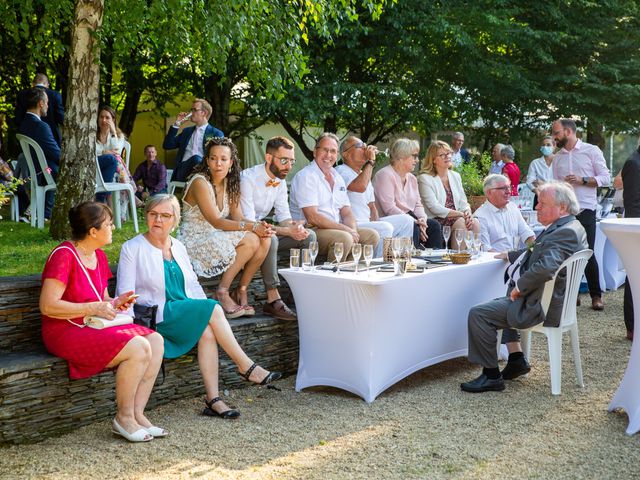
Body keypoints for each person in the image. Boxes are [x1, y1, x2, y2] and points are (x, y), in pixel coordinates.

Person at [118, 195, 281, 419]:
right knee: (213, 308)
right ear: (146, 216)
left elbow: (193, 286)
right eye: (153, 214)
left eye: (165, 215)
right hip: (158, 317)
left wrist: (200, 311)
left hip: (182, 311)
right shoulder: (132, 248)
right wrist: (127, 332)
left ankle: (213, 400)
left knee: (206, 331)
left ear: (175, 220)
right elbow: (123, 294)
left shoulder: (179, 247)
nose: (158, 220)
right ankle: (245, 366)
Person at [39, 202, 164, 442]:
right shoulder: (64, 255)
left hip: (92, 324)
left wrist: (116, 303)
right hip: (64, 330)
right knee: (138, 347)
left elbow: (101, 298)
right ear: (93, 231)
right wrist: (93, 307)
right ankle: (123, 418)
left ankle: (138, 414)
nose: (114, 227)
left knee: (155, 340)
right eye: (108, 224)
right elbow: (48, 306)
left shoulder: (99, 255)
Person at [461, 182, 588, 393]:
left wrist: (520, 286)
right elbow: (540, 251)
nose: (536, 207)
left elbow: (546, 266)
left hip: (543, 307)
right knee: (503, 297)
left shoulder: (562, 233)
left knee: (479, 313)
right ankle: (516, 358)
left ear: (562, 207)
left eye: (542, 203)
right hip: (555, 301)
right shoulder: (571, 226)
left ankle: (491, 375)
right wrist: (512, 256)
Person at [178, 137, 272, 318]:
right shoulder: (200, 182)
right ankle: (222, 291)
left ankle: (242, 290)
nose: (218, 164)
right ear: (207, 161)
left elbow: (237, 217)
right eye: (213, 158)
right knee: (251, 239)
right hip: (195, 239)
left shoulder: (231, 182)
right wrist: (252, 229)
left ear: (231, 162)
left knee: (265, 238)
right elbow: (216, 221)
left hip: (216, 233)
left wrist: (260, 226)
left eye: (223, 159)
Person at [240, 136, 313, 321]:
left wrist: (295, 227)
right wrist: (287, 231)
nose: (288, 166)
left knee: (309, 236)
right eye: (284, 160)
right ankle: (273, 298)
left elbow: (284, 217)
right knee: (270, 238)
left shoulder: (280, 180)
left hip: (263, 229)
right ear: (269, 158)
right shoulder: (247, 178)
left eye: (291, 161)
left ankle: (303, 291)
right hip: (244, 233)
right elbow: (251, 224)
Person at [289, 133, 379, 262]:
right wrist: (346, 230)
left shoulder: (336, 176)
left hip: (336, 228)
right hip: (310, 230)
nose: (328, 155)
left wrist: (353, 231)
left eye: (333, 151)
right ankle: (332, 277)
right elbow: (312, 217)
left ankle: (350, 274)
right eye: (325, 150)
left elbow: (347, 212)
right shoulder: (306, 176)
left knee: (371, 236)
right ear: (315, 152)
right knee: (344, 238)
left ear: (337, 155)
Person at [551, 118, 610, 311]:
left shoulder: (591, 151)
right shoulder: (557, 157)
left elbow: (605, 178)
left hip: (586, 209)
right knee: (566, 253)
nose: (554, 137)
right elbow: (555, 185)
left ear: (568, 132)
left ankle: (596, 295)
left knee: (588, 252)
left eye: (556, 133)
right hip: (565, 212)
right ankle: (572, 294)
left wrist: (582, 179)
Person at [336, 136, 413, 257]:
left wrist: (376, 223)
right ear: (345, 154)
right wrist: (371, 161)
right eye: (359, 146)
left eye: (364, 145)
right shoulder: (341, 170)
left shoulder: (363, 173)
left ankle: (401, 258)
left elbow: (372, 206)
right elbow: (359, 187)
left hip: (367, 222)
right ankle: (378, 265)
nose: (365, 148)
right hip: (352, 224)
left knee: (407, 220)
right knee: (385, 227)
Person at [373, 138, 442, 249]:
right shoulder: (384, 175)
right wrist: (415, 222)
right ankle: (412, 260)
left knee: (434, 225)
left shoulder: (412, 178)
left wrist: (422, 220)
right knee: (412, 225)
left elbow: (418, 205)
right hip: (391, 221)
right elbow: (389, 208)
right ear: (401, 157)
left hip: (411, 219)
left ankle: (435, 261)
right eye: (414, 156)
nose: (417, 160)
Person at [417, 140, 479, 250]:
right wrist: (461, 215)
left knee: (475, 222)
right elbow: (434, 207)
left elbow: (463, 202)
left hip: (457, 216)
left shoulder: (455, 176)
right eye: (442, 155)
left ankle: (473, 259)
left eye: (449, 153)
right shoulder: (424, 178)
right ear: (433, 160)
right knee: (461, 223)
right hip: (437, 219)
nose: (447, 156)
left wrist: (468, 213)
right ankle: (458, 260)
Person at [18, 87, 59, 220]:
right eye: (46, 103)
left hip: (34, 172)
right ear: (40, 103)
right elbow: (56, 155)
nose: (47, 106)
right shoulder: (41, 126)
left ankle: (37, 210)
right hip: (45, 173)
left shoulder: (23, 124)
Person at [163, 99, 223, 182]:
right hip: (183, 172)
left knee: (199, 160)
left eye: (194, 110)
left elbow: (219, 156)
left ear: (204, 113)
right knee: (196, 158)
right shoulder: (186, 132)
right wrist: (177, 123)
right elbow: (167, 145)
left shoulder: (215, 133)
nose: (191, 113)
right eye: (191, 110)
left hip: (206, 171)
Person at [473, 174, 535, 252]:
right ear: (489, 192)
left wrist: (535, 251)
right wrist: (508, 258)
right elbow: (486, 250)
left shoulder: (513, 208)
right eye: (503, 188)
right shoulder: (480, 216)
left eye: (509, 187)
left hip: (515, 260)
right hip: (495, 262)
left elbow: (526, 234)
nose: (508, 192)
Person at [620, 138, 640, 340]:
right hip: (637, 230)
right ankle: (632, 327)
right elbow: (632, 203)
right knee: (634, 276)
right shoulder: (634, 163)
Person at [16, 73, 65, 146]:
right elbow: (61, 118)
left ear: (33, 84)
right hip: (52, 138)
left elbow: (18, 118)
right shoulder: (55, 95)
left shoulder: (22, 94)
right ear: (47, 84)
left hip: (28, 137)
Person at [95, 105, 129, 205]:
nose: (104, 120)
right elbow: (91, 153)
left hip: (109, 169)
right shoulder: (92, 133)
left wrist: (113, 132)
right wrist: (103, 153)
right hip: (94, 165)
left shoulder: (119, 135)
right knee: (112, 159)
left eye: (107, 117)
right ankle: (104, 198)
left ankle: (101, 199)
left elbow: (117, 152)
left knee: (113, 160)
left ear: (113, 120)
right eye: (101, 117)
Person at [526, 135, 555, 208]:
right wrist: (537, 192)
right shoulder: (535, 163)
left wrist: (543, 183)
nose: (545, 147)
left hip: (556, 197)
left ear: (554, 146)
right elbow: (530, 181)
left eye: (548, 145)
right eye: (543, 145)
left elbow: (562, 182)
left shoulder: (559, 161)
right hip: (539, 197)